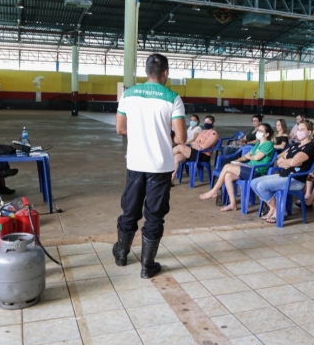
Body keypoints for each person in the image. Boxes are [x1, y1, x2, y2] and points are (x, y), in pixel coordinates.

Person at [114, 53, 187, 278]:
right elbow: (181, 138)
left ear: (146, 72)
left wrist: (140, 131)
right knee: (155, 214)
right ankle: (147, 265)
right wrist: (164, 134)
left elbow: (120, 129)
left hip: (135, 163)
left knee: (130, 209)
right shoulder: (173, 98)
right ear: (165, 73)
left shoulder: (129, 94)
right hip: (161, 167)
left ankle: (122, 254)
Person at [251, 120, 314, 224]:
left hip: (295, 180)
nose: (299, 132)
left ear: (309, 132)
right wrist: (287, 162)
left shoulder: (309, 147)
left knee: (262, 186)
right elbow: (280, 157)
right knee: (254, 183)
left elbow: (294, 161)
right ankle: (273, 207)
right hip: (283, 175)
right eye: (298, 129)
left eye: (302, 129)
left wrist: (289, 162)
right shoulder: (295, 145)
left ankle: (278, 211)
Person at [199, 123, 275, 212]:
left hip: (257, 171)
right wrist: (238, 161)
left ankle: (214, 191)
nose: (258, 132)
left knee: (227, 167)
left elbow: (257, 157)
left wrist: (250, 156)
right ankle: (233, 204)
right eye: (258, 130)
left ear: (267, 134)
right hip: (249, 168)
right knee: (228, 176)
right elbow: (247, 156)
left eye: (261, 131)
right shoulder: (258, 144)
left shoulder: (268, 144)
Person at [172, 115, 219, 184]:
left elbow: (204, 147)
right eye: (205, 122)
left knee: (181, 147)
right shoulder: (203, 132)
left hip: (203, 155)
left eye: (209, 122)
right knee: (177, 157)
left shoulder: (214, 134)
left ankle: (165, 156)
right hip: (194, 152)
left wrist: (198, 144)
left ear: (213, 123)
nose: (206, 123)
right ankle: (171, 180)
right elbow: (193, 143)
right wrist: (197, 145)